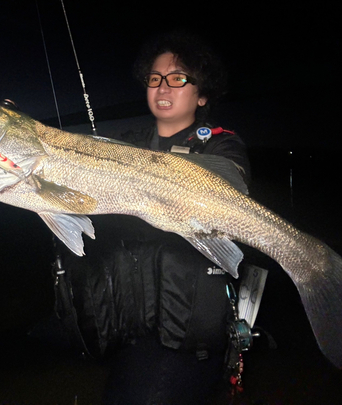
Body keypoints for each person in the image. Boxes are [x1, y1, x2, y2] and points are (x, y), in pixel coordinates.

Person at [42, 31, 252, 405]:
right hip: (130, 327)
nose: (163, 86)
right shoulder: (128, 142)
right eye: (155, 79)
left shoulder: (220, 144)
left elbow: (228, 190)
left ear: (202, 95)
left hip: (187, 337)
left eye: (178, 78)